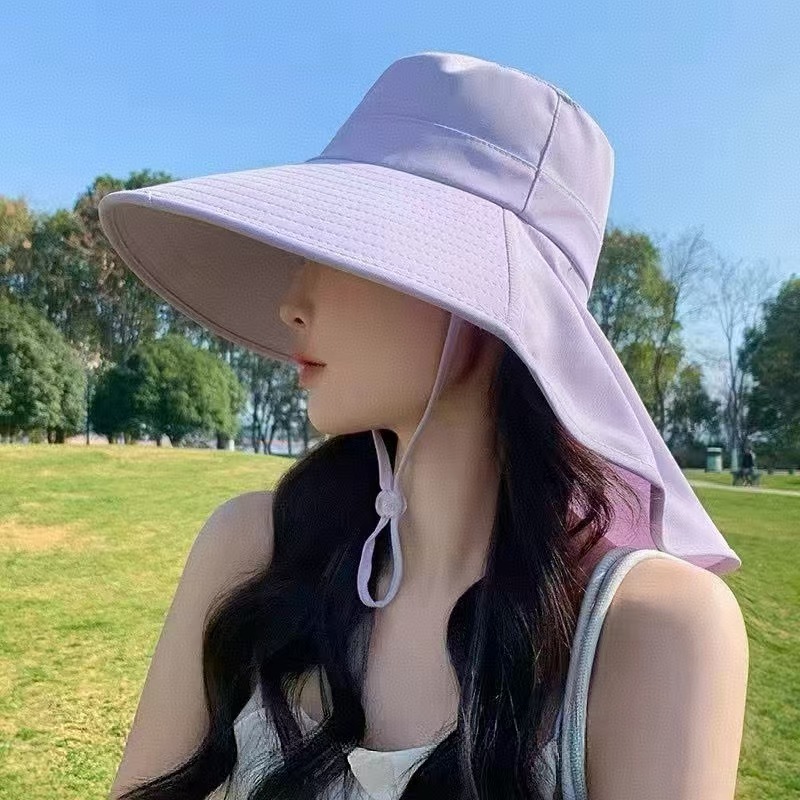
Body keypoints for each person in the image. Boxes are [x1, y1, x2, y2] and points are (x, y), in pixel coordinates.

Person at [100, 53, 748, 800]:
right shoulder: (251, 550)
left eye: (342, 245)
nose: (292, 303)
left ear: (479, 297)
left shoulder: (654, 633)